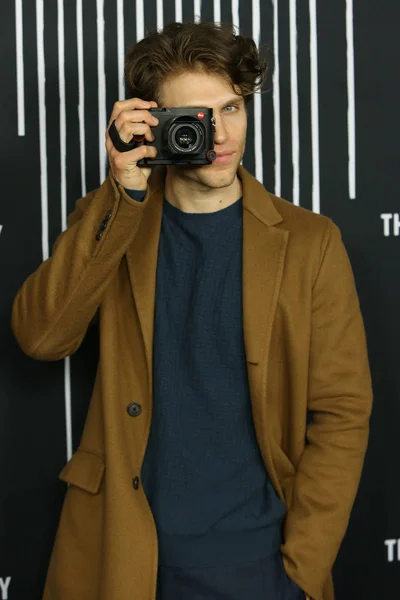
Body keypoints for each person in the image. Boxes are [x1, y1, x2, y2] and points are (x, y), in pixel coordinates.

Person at [11, 20, 373, 600]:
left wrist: (302, 569)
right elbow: (41, 336)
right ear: (153, 122)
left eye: (231, 108)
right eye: (197, 118)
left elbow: (343, 412)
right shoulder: (114, 220)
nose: (220, 134)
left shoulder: (311, 242)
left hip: (261, 561)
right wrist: (123, 191)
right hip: (123, 557)